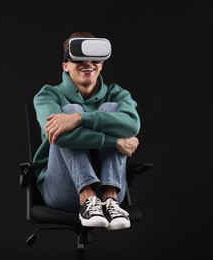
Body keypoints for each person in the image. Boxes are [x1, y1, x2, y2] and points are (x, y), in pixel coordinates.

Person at [32, 31, 140, 230]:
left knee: (109, 109)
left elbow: (132, 124)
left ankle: (109, 199)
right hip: (62, 191)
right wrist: (115, 141)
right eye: (79, 57)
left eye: (94, 58)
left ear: (101, 65)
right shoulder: (47, 95)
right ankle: (87, 197)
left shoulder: (117, 94)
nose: (88, 62)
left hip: (112, 191)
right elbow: (62, 137)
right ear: (65, 65)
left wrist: (79, 119)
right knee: (70, 109)